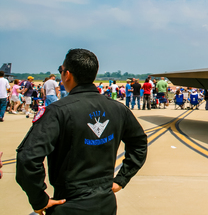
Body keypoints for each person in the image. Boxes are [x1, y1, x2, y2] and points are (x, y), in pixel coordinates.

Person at [16, 48, 147, 215]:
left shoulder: (57, 111)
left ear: (67, 74)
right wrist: (122, 178)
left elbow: (28, 157)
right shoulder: (118, 109)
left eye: (60, 70)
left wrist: (39, 199)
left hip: (69, 204)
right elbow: (139, 142)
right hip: (106, 204)